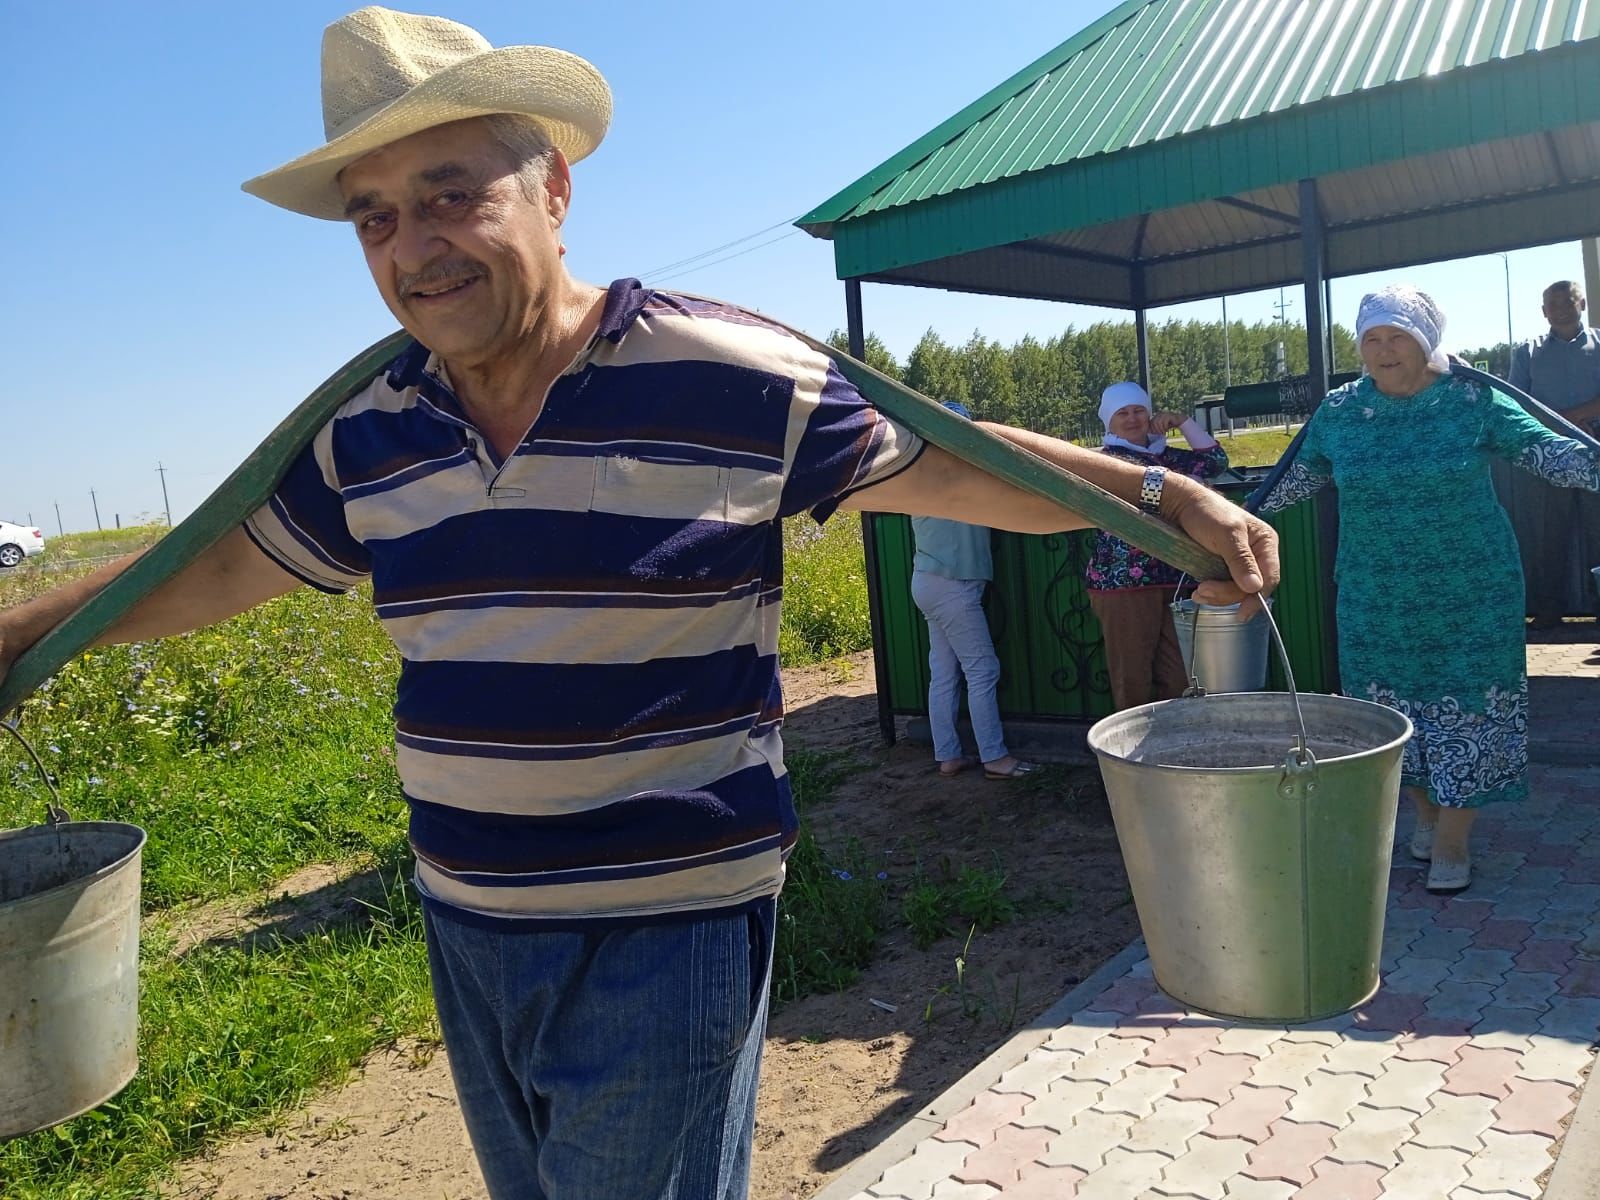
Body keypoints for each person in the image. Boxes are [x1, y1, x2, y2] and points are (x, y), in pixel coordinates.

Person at [0, 9, 1277, 1198]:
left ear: (554, 189)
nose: (412, 246)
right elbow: (217, 564)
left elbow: (957, 457)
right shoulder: (366, 432)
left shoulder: (725, 373)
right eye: (376, 217)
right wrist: (12, 635)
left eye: (452, 195)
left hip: (669, 920)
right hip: (467, 918)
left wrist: (1162, 499)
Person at [1261, 283, 1600, 895]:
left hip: (1471, 595)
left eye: (1399, 337)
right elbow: (1286, 486)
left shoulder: (1474, 399)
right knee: (1391, 716)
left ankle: (1453, 842)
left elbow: (1550, 454)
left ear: (1426, 342)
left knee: (1468, 712)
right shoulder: (1339, 412)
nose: (1385, 351)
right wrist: (1207, 515)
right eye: (1373, 339)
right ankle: (1424, 814)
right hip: (1374, 597)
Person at [1086, 381, 1229, 711]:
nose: (1133, 418)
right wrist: (1180, 489)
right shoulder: (1105, 460)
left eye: (1139, 411)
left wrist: (1182, 421)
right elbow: (1144, 499)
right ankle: (1129, 755)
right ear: (1108, 420)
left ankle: (1169, 752)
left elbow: (1216, 462)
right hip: (1123, 584)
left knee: (1180, 676)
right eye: (1123, 413)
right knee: (1131, 677)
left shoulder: (1168, 456)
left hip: (1179, 579)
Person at [909, 402, 1033, 780]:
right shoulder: (962, 474)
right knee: (983, 671)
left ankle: (948, 755)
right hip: (954, 583)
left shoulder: (922, 474)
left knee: (944, 674)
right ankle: (994, 758)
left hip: (927, 578)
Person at [1508, 280, 1600, 629]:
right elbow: (1517, 405)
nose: (1560, 307)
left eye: (1568, 300)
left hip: (1596, 452)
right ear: (1543, 310)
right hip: (1549, 455)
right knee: (1549, 535)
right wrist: (1562, 428)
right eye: (1552, 302)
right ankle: (1547, 610)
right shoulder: (1526, 353)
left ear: (1582, 303)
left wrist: (1572, 419)